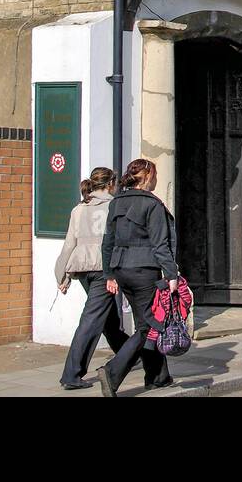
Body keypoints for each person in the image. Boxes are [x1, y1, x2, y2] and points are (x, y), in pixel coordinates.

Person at [97, 158, 178, 397]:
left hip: (122, 269)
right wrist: (171, 273)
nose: (156, 179)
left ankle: (158, 377)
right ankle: (112, 372)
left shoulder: (116, 202)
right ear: (145, 177)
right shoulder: (151, 204)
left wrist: (109, 274)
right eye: (154, 175)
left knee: (148, 321)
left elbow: (107, 242)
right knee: (147, 326)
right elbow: (160, 244)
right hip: (144, 271)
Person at [55, 167, 130, 390]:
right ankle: (71, 374)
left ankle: (133, 355)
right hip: (103, 271)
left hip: (83, 271)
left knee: (108, 320)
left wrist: (62, 276)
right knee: (92, 321)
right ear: (110, 185)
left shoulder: (78, 210)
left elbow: (70, 244)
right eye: (114, 184)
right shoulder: (114, 207)